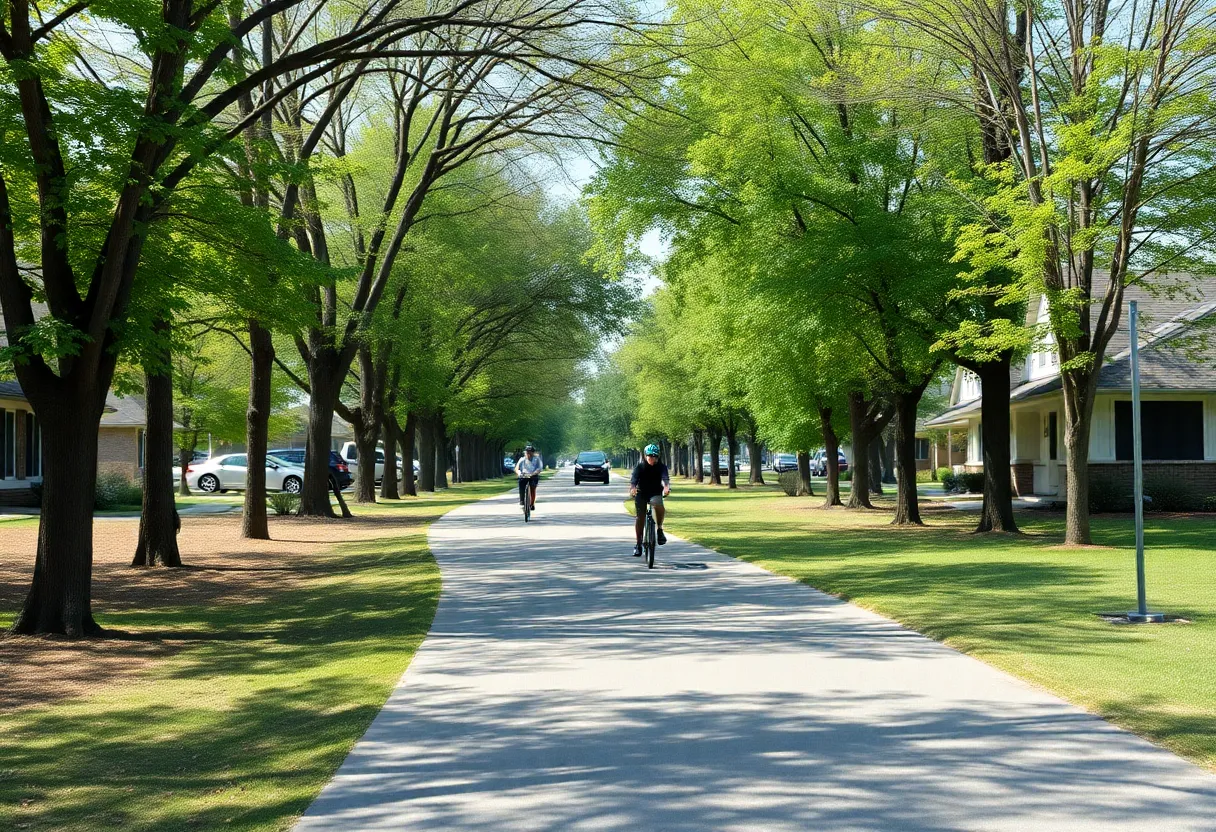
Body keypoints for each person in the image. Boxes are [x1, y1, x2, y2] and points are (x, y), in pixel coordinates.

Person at [630, 443, 671, 556]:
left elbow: (665, 478)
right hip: (641, 493)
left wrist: (667, 487)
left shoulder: (661, 467)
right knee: (640, 517)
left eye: (654, 456)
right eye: (649, 456)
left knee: (658, 505)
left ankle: (659, 529)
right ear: (645, 456)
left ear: (658, 456)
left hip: (655, 492)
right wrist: (633, 488)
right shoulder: (640, 467)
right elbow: (634, 480)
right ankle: (638, 544)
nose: (652, 458)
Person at [515, 444, 543, 511]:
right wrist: (519, 473)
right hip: (524, 475)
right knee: (521, 485)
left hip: (533, 475)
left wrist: (534, 473)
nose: (528, 453)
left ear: (533, 452)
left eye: (530, 452)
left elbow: (539, 468)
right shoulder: (522, 459)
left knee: (533, 488)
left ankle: (532, 503)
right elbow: (517, 468)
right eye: (527, 452)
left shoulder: (537, 459)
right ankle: (522, 500)